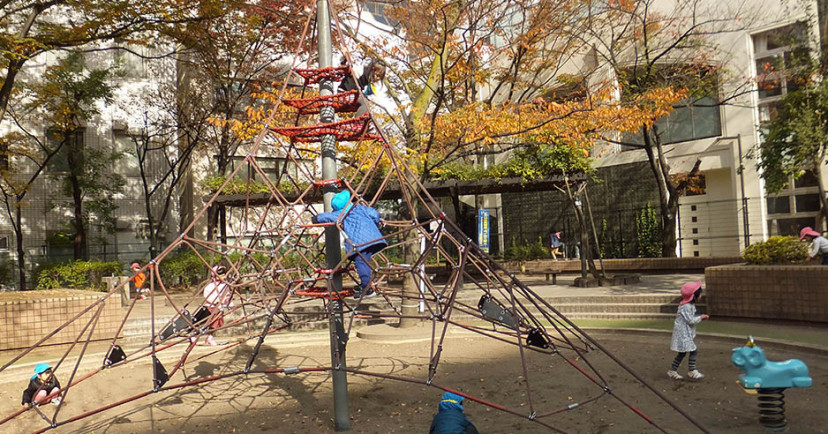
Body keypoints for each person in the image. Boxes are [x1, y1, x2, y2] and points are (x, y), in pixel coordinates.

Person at [314, 190, 387, 299]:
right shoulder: (361, 208)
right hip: (373, 239)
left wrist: (315, 219)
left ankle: (367, 288)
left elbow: (328, 216)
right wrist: (376, 221)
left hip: (360, 244)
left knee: (361, 263)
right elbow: (374, 214)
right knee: (364, 262)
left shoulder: (341, 214)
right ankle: (365, 285)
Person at [668, 281, 710, 380]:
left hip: (685, 332)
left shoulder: (689, 306)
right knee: (693, 350)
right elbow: (690, 320)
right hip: (682, 333)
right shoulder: (686, 307)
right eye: (699, 294)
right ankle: (691, 370)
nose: (701, 296)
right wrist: (701, 317)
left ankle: (672, 370)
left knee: (683, 353)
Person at [199, 266, 233, 346]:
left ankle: (209, 337)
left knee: (216, 324)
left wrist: (229, 304)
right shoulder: (210, 286)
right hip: (211, 307)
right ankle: (205, 336)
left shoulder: (225, 286)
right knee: (212, 323)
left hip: (219, 307)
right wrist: (217, 301)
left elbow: (227, 297)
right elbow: (207, 296)